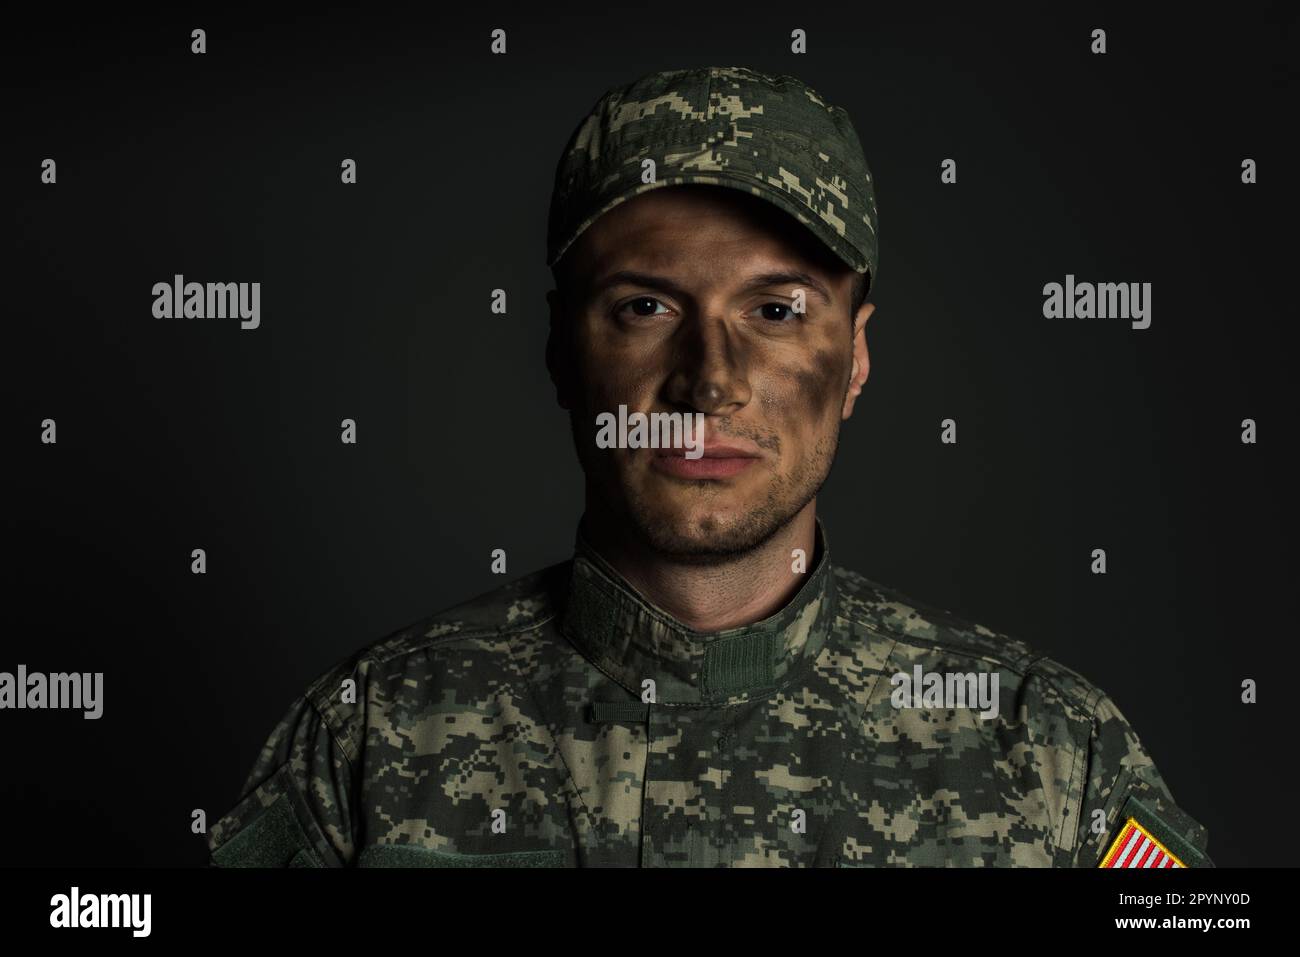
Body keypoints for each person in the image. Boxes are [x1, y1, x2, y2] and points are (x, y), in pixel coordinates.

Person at [206, 65, 1213, 868]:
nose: (710, 383)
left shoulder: (1045, 750)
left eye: (776, 312)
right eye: (645, 307)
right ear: (562, 350)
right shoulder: (370, 742)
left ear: (854, 357)